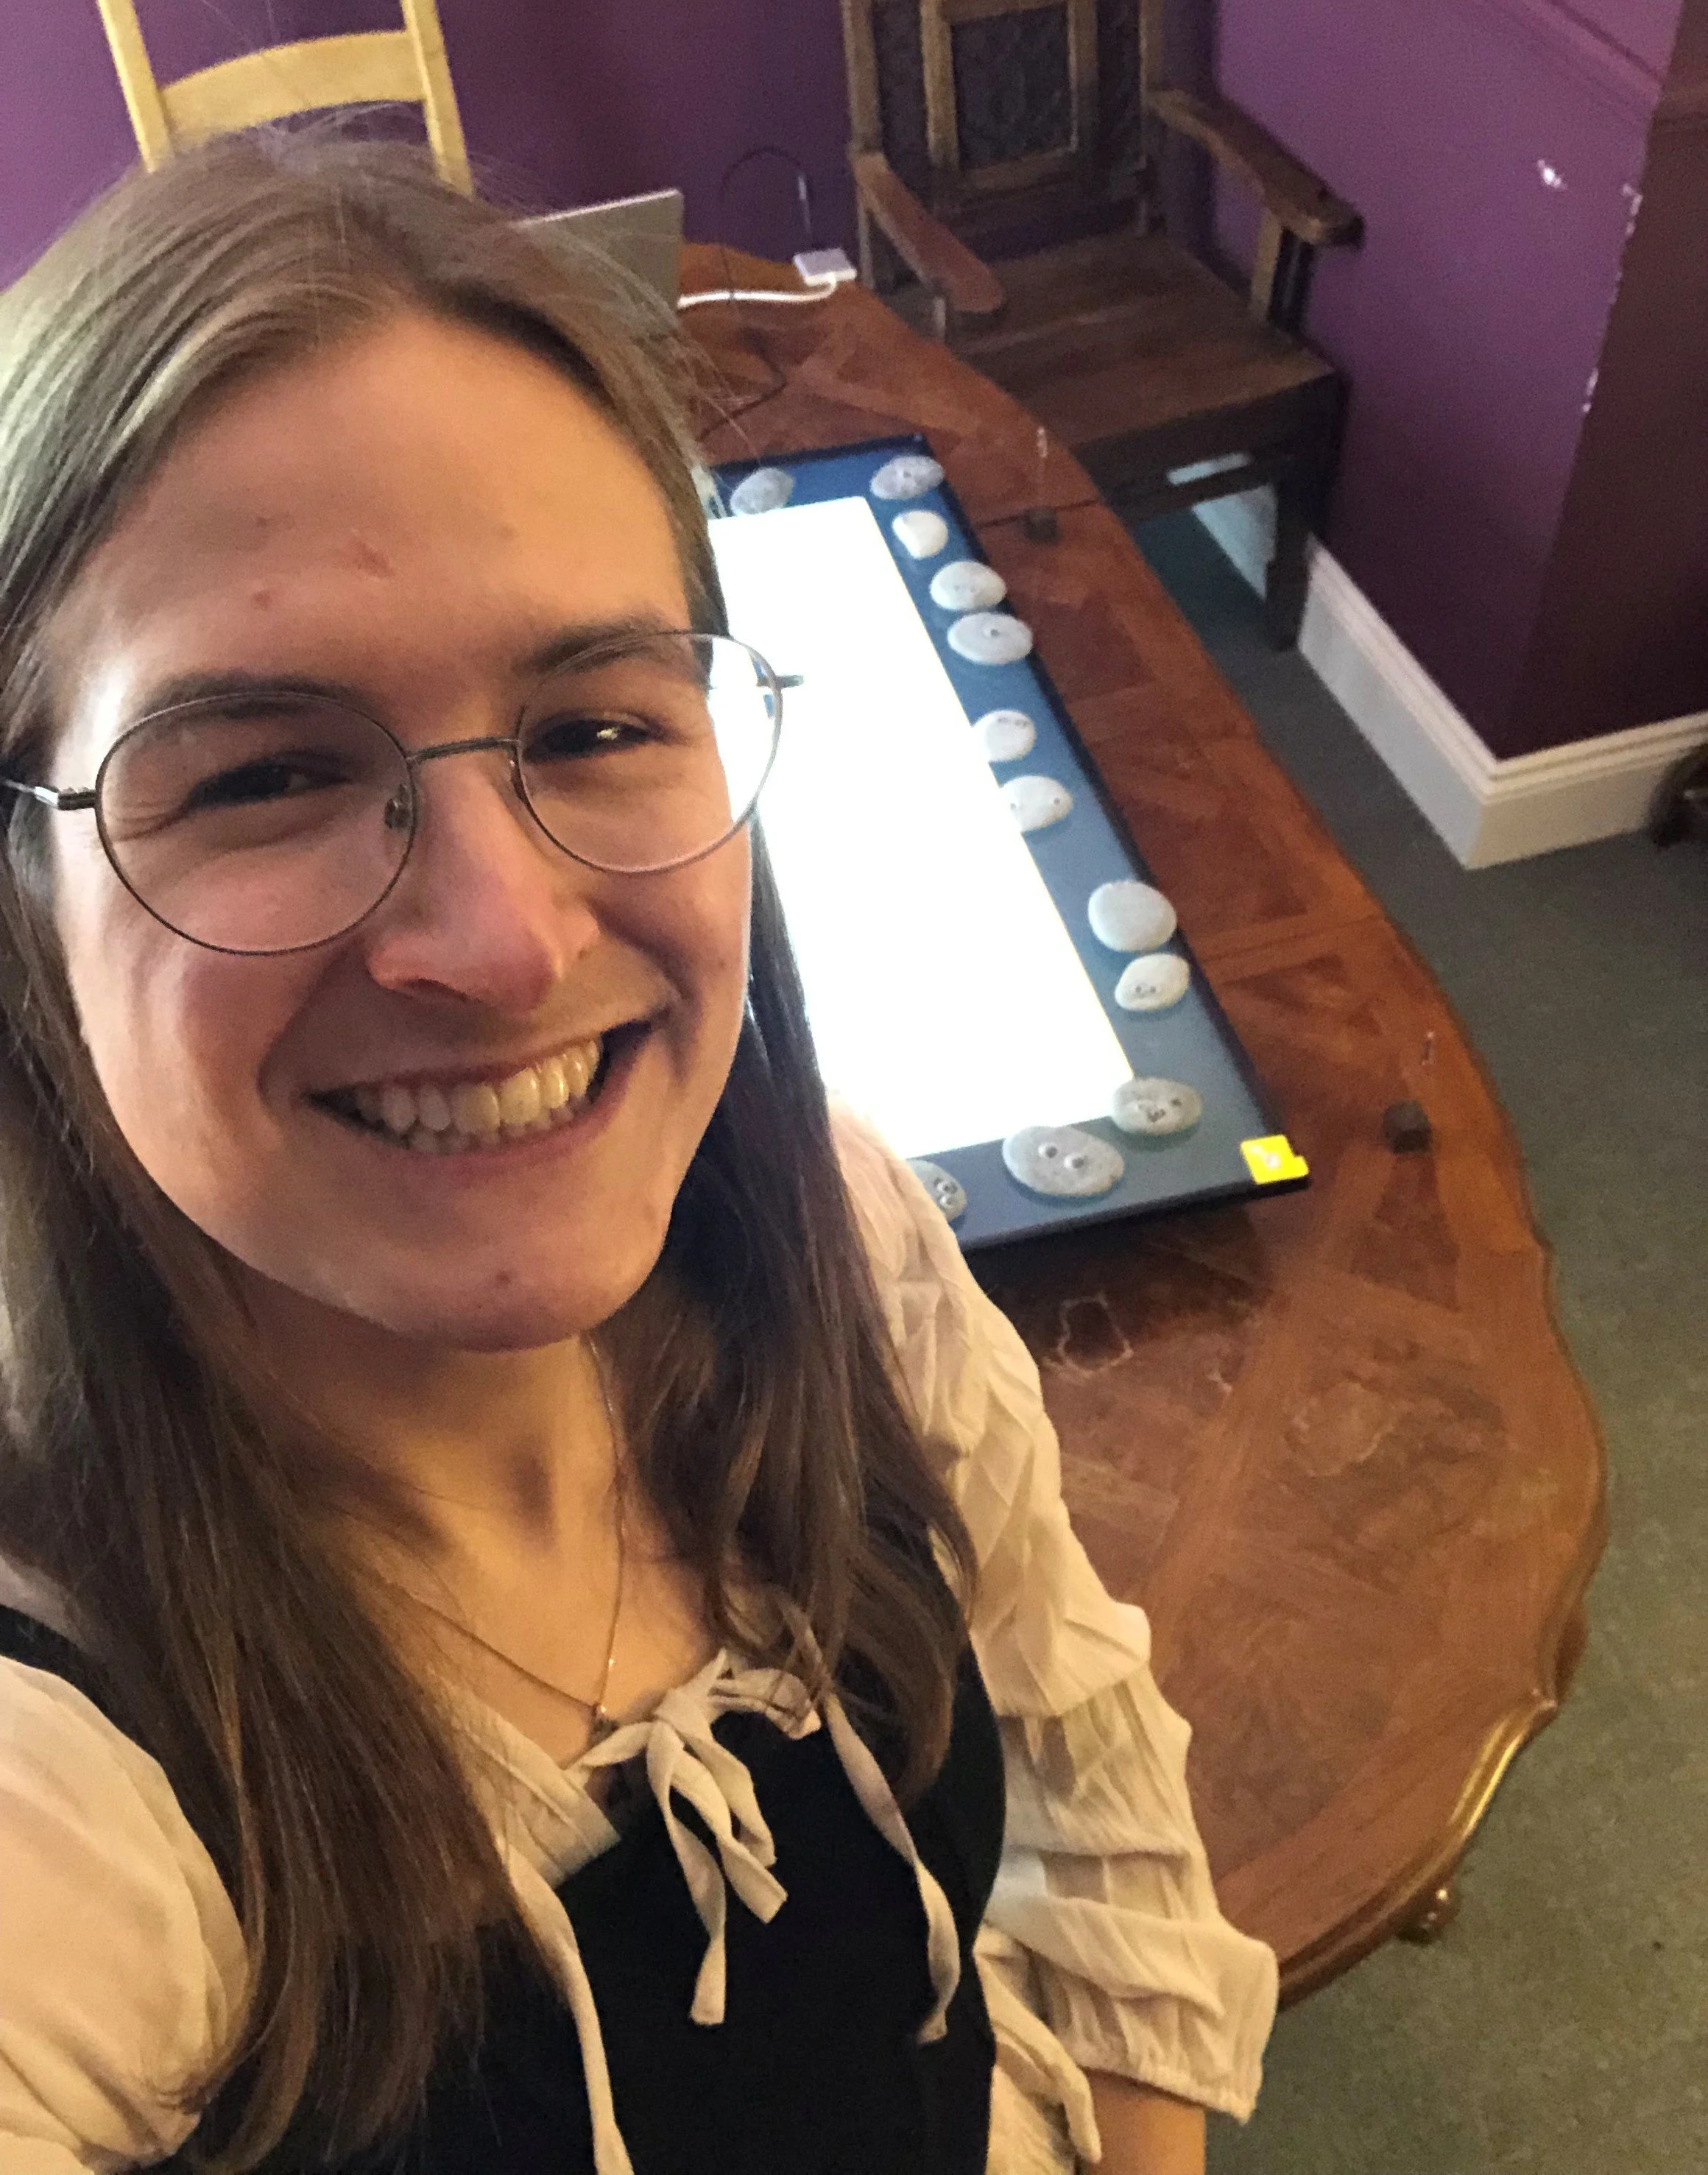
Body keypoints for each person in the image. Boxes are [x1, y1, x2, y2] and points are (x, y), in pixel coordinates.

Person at [0, 137, 1277, 2175]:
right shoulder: (57, 1789)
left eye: (596, 725)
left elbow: (1102, 1834)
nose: (503, 942)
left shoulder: (843, 1234)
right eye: (262, 773)